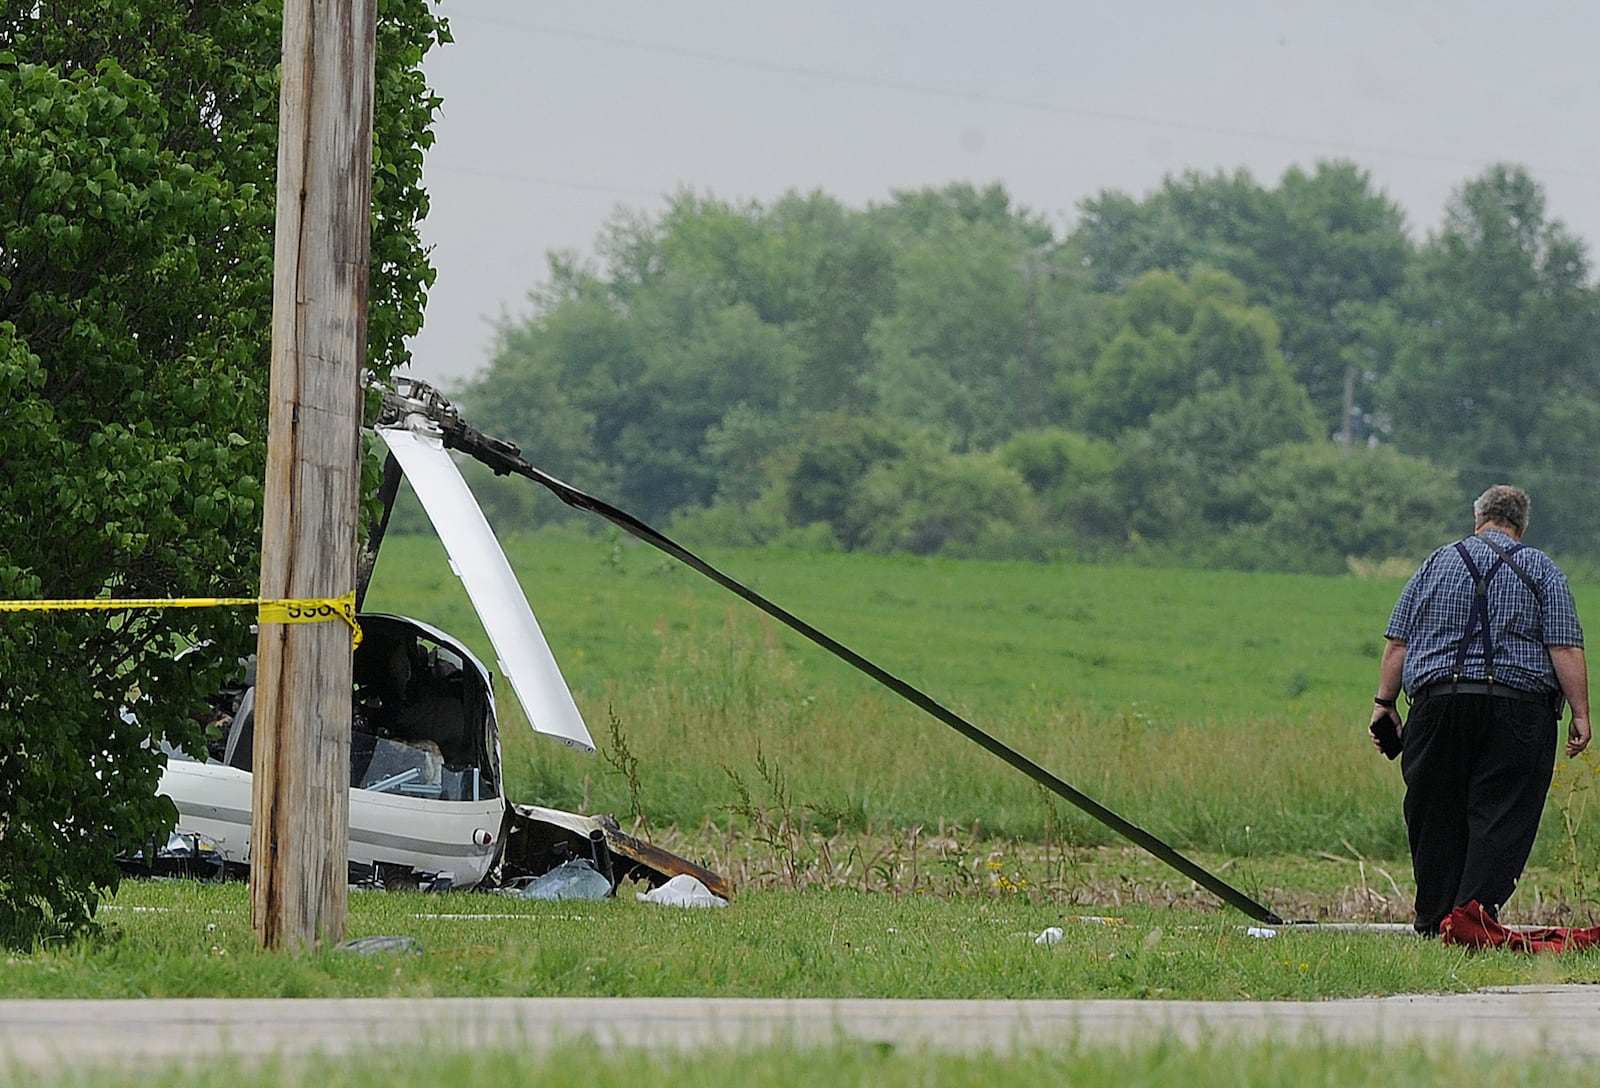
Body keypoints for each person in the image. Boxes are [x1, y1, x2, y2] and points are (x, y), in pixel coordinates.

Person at [1371, 484, 1590, 936]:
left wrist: (1384, 704)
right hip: (1519, 712)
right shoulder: (1542, 569)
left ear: (1478, 518)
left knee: (1434, 813)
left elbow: (1398, 641)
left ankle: (1434, 922)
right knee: (1502, 815)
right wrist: (1581, 714)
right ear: (1522, 526)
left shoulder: (1436, 562)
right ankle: (1471, 921)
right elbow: (1564, 647)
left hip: (1437, 706)